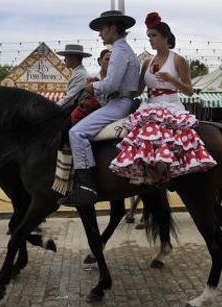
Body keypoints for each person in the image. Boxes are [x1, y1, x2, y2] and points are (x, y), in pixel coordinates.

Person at [109, 11, 216, 185]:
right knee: (137, 135)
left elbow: (189, 91)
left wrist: (172, 80)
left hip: (171, 105)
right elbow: (137, 90)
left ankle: (167, 169)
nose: (150, 39)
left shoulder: (178, 60)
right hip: (150, 104)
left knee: (159, 132)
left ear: (166, 37)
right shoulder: (147, 62)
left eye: (154, 35)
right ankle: (145, 171)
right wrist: (116, 89)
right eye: (148, 36)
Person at [58, 9, 140, 207]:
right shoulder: (123, 49)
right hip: (117, 101)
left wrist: (92, 86)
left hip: (118, 103)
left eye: (102, 29)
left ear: (112, 28)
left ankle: (87, 187)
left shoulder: (120, 50)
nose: (100, 33)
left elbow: (111, 84)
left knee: (77, 133)